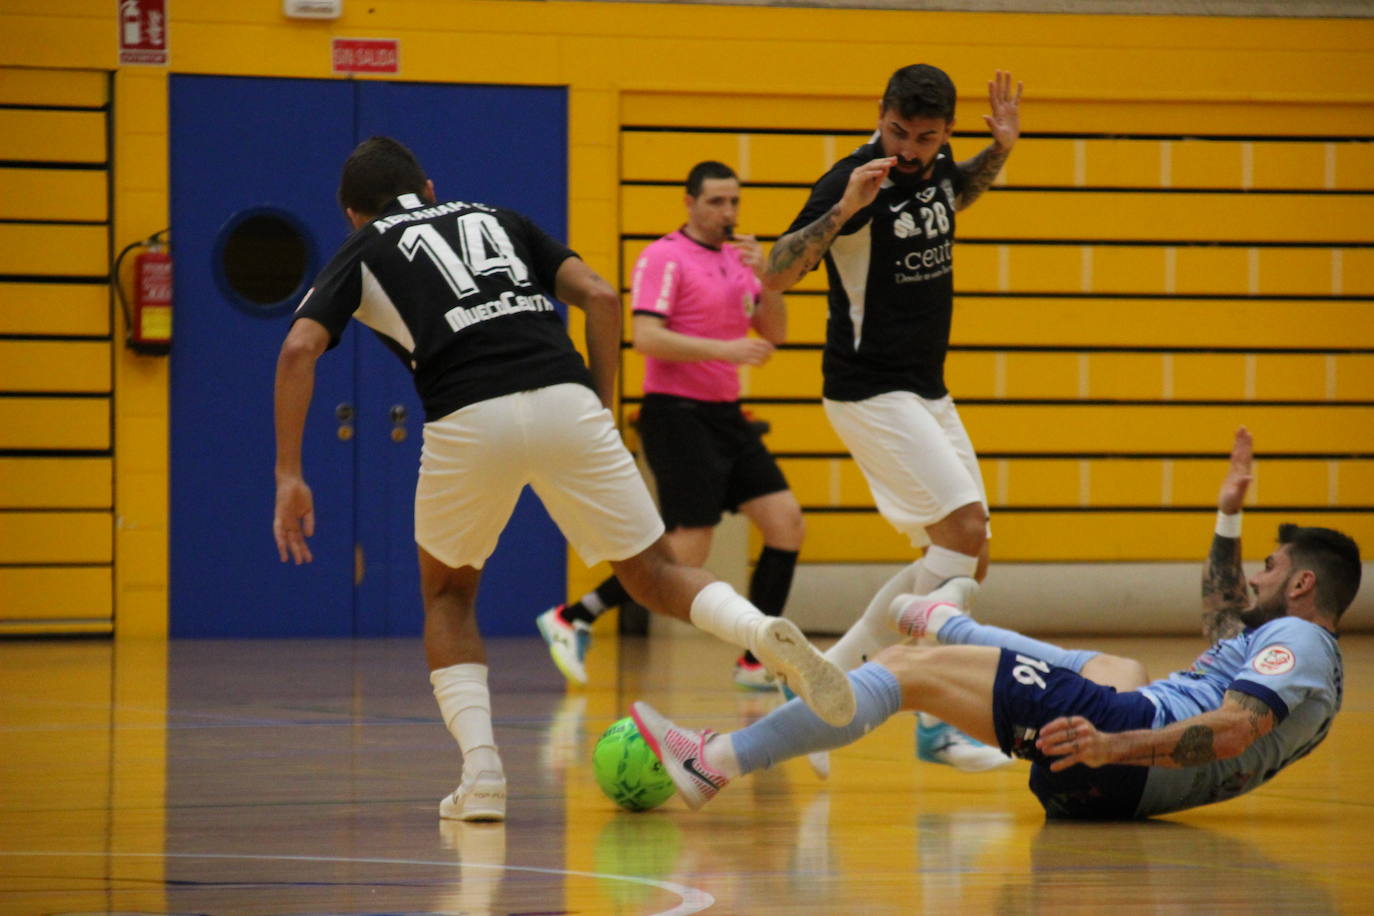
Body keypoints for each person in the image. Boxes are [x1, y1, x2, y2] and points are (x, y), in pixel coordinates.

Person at [272, 137, 855, 823]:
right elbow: (601, 296)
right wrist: (599, 410)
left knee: (451, 595)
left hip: (467, 414)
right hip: (566, 397)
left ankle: (482, 775)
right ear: (430, 188)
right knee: (658, 574)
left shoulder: (363, 247)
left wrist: (290, 474)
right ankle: (760, 635)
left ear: (351, 213)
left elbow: (299, 348)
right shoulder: (499, 217)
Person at [631, 428, 1361, 820]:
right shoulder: (1290, 652)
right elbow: (1221, 614)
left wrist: (1113, 745)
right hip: (1116, 788)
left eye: (1269, 566)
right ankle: (950, 628)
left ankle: (715, 762)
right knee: (1120, 668)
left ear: (1302, 583)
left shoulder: (1299, 641)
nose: (1254, 577)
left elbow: (1232, 731)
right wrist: (1227, 516)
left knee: (906, 668)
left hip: (1120, 757)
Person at [758, 64, 1023, 771]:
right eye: (897, 131)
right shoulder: (855, 177)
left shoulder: (934, 169)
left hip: (927, 390)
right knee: (962, 530)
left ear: (945, 133)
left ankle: (817, 693)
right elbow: (774, 273)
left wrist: (998, 151)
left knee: (969, 557)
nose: (905, 149)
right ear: (879, 113)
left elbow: (952, 195)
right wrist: (844, 207)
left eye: (924, 138)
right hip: (868, 391)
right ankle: (933, 719)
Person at [537, 160, 805, 691]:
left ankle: (756, 660)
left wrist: (769, 278)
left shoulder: (740, 258)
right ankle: (575, 615)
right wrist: (725, 349)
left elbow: (774, 332)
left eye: (733, 202)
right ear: (689, 203)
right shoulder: (664, 257)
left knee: (786, 522)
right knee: (688, 550)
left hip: (727, 416)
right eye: (715, 202)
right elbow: (647, 338)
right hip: (675, 413)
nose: (727, 213)